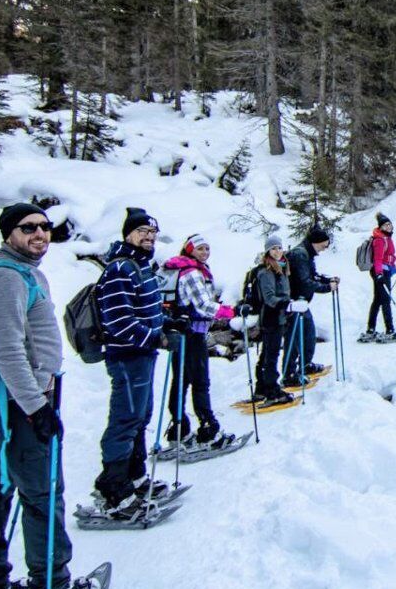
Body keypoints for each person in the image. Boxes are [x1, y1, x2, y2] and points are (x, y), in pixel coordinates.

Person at [0, 204, 95, 589]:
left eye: (44, 227)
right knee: (41, 494)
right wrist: (36, 407)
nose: (39, 234)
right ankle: (52, 587)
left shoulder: (16, 272)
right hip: (15, 404)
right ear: (8, 233)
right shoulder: (5, 277)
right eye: (28, 228)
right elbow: (6, 350)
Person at [94, 208, 185, 518]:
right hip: (126, 355)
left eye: (153, 232)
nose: (149, 237)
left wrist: (168, 322)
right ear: (128, 234)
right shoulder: (120, 268)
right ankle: (113, 488)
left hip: (142, 354)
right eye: (143, 231)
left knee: (141, 416)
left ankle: (135, 477)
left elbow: (146, 309)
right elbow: (120, 321)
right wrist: (156, 338)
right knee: (126, 418)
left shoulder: (141, 266)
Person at [161, 234, 235, 446]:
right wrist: (230, 311)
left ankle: (178, 428)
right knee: (200, 382)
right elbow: (203, 305)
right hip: (193, 332)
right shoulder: (192, 272)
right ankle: (208, 428)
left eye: (207, 248)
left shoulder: (177, 269)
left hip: (178, 333)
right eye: (200, 248)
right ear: (189, 249)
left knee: (181, 381)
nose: (205, 252)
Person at [284, 225, 338, 384]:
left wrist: (328, 279)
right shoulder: (300, 254)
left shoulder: (307, 254)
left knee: (308, 334)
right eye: (324, 245)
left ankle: (304, 365)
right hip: (293, 303)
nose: (325, 248)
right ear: (316, 242)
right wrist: (327, 287)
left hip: (302, 303)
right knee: (293, 339)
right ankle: (289, 374)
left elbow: (312, 275)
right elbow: (305, 282)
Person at [253, 236, 293, 403]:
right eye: (274, 248)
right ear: (268, 251)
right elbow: (269, 297)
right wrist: (285, 304)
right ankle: (271, 389)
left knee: (268, 352)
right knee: (271, 353)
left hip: (278, 315)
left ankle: (262, 387)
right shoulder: (267, 272)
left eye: (279, 248)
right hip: (272, 317)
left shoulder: (281, 268)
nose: (277, 251)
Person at [363, 213, 396, 342]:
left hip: (384, 272)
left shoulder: (387, 238)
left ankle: (371, 329)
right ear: (381, 227)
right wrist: (379, 274)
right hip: (380, 273)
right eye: (386, 225)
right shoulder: (380, 240)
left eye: (390, 224)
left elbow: (389, 258)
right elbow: (378, 259)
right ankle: (389, 329)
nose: (389, 226)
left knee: (378, 300)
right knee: (385, 300)